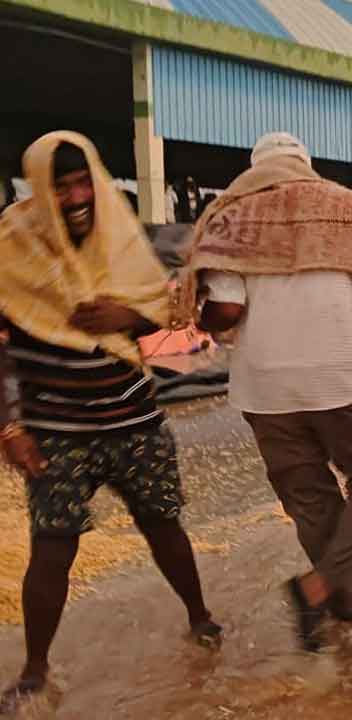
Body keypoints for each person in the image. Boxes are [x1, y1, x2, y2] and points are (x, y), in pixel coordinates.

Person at [0, 132, 220, 712]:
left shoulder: (121, 234)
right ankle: (35, 670)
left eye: (82, 182)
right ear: (39, 188)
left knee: (164, 528)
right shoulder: (11, 246)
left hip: (136, 422)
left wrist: (131, 315)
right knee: (53, 548)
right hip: (56, 433)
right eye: (60, 184)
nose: (75, 196)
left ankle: (201, 620)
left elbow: (189, 345)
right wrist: (10, 427)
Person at [190, 133, 352, 651]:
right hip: (334, 378)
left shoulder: (235, 217)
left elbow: (226, 311)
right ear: (305, 165)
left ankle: (334, 604)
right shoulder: (339, 208)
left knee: (311, 501)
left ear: (255, 170)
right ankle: (324, 589)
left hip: (263, 390)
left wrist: (197, 310)